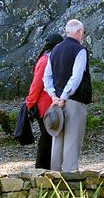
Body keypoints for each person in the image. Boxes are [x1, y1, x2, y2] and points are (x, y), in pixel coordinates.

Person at [43, 19, 92, 171]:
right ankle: (70, 183)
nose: (83, 34)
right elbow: (76, 77)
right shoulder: (79, 50)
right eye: (82, 32)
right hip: (73, 101)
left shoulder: (55, 51)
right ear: (78, 32)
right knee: (72, 143)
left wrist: (53, 96)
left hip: (57, 103)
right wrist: (64, 97)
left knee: (57, 142)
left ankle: (54, 179)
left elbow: (47, 77)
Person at [25, 33, 64, 169]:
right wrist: (30, 103)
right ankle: (41, 169)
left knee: (49, 138)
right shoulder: (46, 60)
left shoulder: (48, 58)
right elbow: (37, 85)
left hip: (49, 105)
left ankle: (46, 169)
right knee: (46, 138)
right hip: (45, 106)